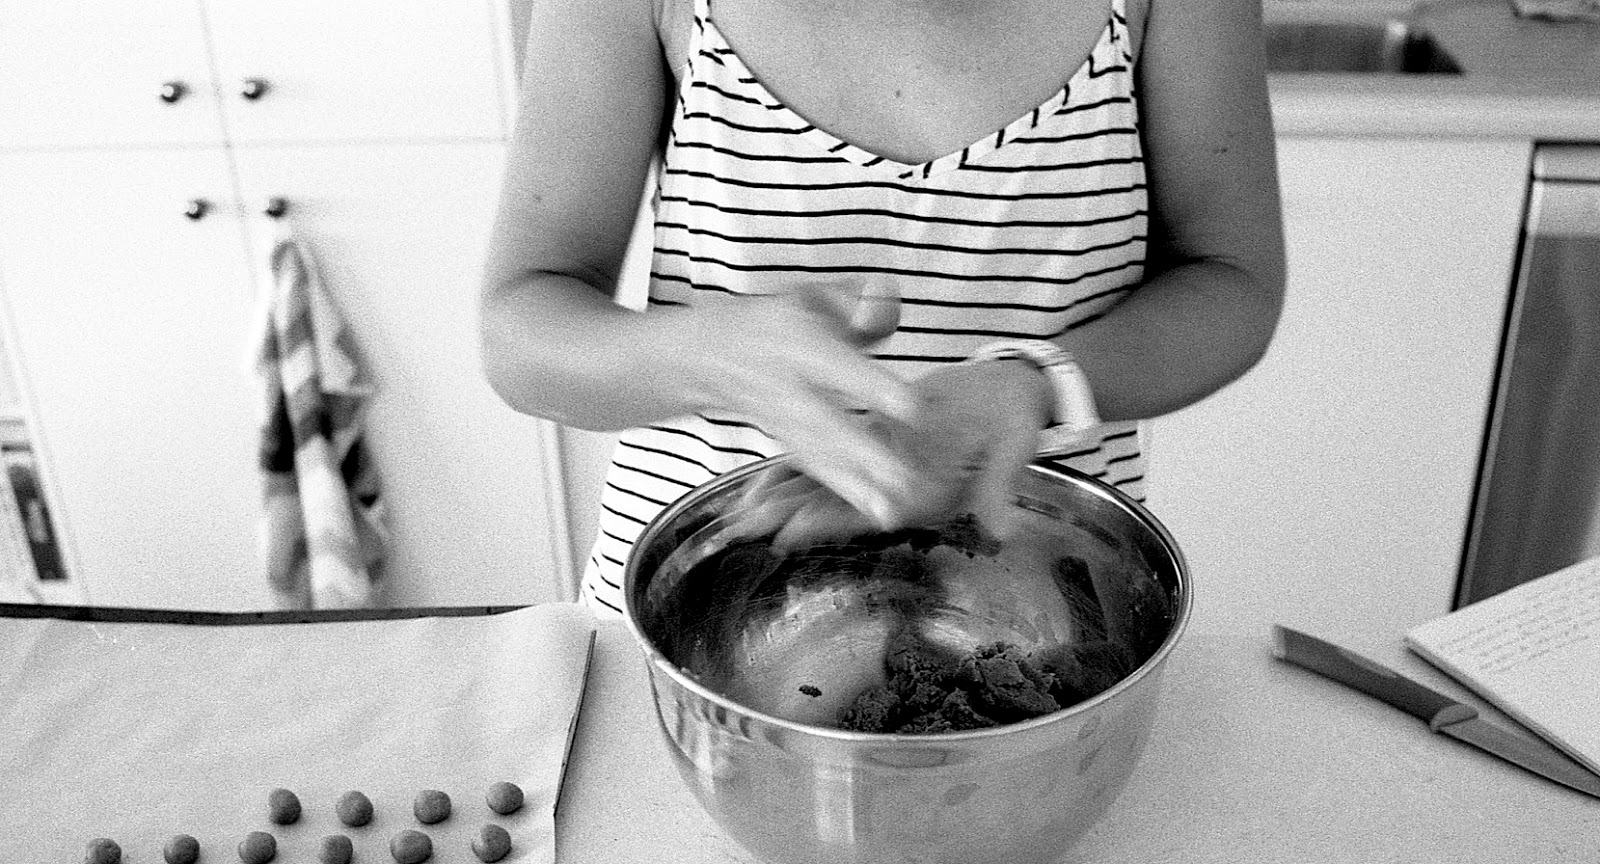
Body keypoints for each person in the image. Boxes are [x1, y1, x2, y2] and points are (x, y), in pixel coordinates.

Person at [480, 0, 1286, 616]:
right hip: (689, 623)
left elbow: (1231, 277)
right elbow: (519, 325)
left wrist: (1037, 380)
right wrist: (707, 356)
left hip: (1047, 621)